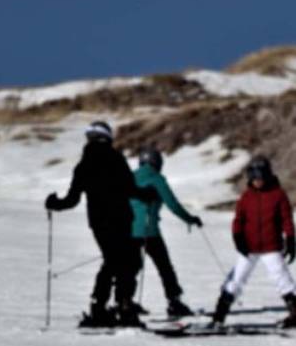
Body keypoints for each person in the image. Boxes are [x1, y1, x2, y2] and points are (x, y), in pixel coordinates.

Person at [45, 121, 156, 328]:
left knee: (112, 261)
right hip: (122, 219)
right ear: (108, 137)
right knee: (128, 262)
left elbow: (71, 200)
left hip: (99, 223)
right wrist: (148, 194)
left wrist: (54, 203)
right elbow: (131, 189)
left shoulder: (83, 165)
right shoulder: (116, 159)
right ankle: (122, 307)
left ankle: (100, 308)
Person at [209, 155, 296, 328]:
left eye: (261, 177)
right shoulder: (246, 197)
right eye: (254, 178)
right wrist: (238, 237)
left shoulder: (278, 195)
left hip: (271, 247)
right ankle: (218, 317)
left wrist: (291, 239)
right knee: (235, 280)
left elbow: (287, 219)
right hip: (249, 248)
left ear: (268, 175)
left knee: (282, 278)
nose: (258, 181)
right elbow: (238, 220)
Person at [130, 147, 203, 318]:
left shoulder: (130, 177)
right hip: (150, 232)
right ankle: (174, 302)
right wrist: (190, 219)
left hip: (129, 231)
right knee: (165, 268)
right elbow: (173, 205)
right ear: (157, 163)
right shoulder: (157, 179)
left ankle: (124, 302)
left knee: (131, 268)